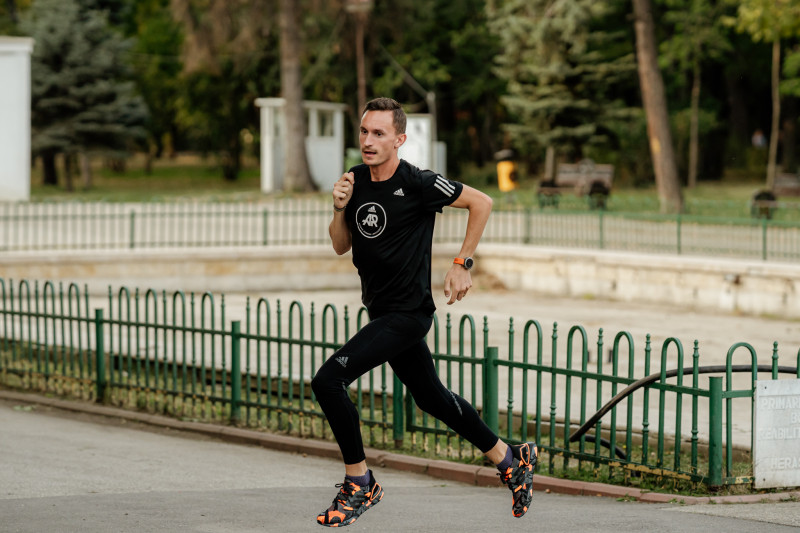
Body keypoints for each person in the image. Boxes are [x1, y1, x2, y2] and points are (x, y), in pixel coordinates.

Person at [312, 97, 538, 527]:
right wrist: (339, 207)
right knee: (430, 397)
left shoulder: (418, 182)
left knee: (328, 380)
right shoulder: (355, 180)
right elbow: (341, 244)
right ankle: (511, 459)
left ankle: (360, 483)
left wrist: (461, 264)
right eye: (364, 131)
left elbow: (482, 202)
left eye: (379, 133)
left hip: (408, 313)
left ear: (399, 139)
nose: (368, 141)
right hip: (381, 312)